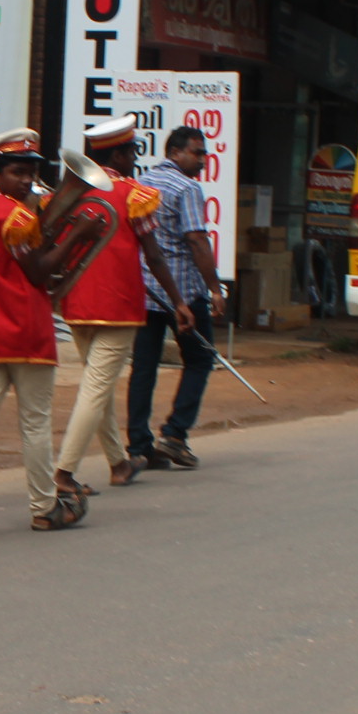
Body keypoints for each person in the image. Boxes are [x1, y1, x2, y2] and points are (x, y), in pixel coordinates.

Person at [0, 129, 100, 543]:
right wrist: (77, 234)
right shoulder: (15, 216)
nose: (27, 181)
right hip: (23, 331)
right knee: (35, 424)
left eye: (30, 173)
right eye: (17, 172)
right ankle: (44, 507)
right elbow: (39, 271)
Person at [51, 116, 178, 500]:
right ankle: (64, 472)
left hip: (76, 301)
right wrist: (178, 301)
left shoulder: (72, 192)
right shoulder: (135, 195)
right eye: (132, 152)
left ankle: (119, 463)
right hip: (118, 304)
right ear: (120, 155)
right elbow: (154, 256)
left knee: (97, 386)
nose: (134, 159)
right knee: (96, 389)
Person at [127, 124, 226, 471]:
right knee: (200, 359)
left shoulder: (141, 183)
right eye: (196, 153)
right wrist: (215, 289)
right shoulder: (187, 188)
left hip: (148, 290)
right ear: (175, 152)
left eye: (204, 154)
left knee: (144, 366)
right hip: (184, 291)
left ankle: (139, 445)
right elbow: (197, 240)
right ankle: (175, 434)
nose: (202, 160)